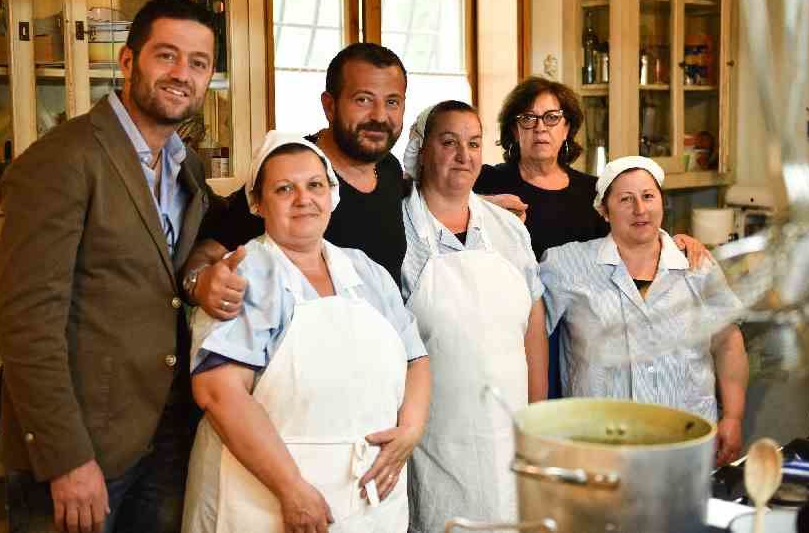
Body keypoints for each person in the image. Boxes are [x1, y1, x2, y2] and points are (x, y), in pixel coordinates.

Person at [0, 0, 218, 533]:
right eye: (166, 56)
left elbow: (170, 271)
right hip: (80, 450)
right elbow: (25, 323)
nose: (181, 75)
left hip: (163, 435)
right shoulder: (62, 160)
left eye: (199, 63)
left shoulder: (188, 164)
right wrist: (67, 459)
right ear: (126, 61)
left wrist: (203, 269)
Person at [181, 132, 430, 533]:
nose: (303, 199)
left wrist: (411, 430)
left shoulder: (366, 271)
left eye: (315, 185)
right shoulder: (245, 272)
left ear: (332, 194)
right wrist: (291, 488)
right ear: (257, 204)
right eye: (284, 189)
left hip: (367, 508)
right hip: (262, 502)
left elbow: (415, 357)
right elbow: (218, 391)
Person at [473, 76, 708, 399]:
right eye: (527, 119)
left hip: (574, 333)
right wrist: (484, 205)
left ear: (567, 128)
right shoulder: (487, 181)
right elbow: (431, 197)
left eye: (551, 118)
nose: (540, 128)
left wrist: (677, 243)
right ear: (514, 130)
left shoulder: (592, 191)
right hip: (503, 326)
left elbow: (630, 238)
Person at [540, 156, 748, 465]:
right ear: (604, 211)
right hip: (601, 447)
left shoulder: (696, 265)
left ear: (662, 203)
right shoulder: (566, 266)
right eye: (625, 199)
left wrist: (733, 416)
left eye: (648, 196)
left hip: (686, 442)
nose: (640, 209)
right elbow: (524, 333)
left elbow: (728, 342)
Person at [400, 101, 548, 533]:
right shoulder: (399, 230)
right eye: (449, 142)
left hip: (510, 430)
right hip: (434, 435)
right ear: (423, 149)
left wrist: (537, 419)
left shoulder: (508, 228)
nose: (464, 156)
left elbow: (534, 327)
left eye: (474, 143)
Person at [181, 43, 410, 324]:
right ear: (330, 105)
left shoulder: (389, 169)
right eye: (363, 100)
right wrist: (201, 283)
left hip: (386, 352)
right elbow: (206, 253)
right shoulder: (290, 172)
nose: (379, 116)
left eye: (392, 102)